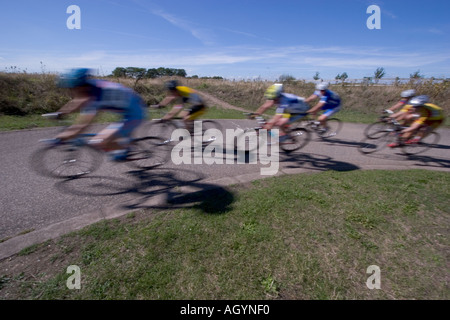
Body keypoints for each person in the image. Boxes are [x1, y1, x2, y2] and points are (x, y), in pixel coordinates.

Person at [55, 68, 147, 161]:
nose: (72, 91)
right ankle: (121, 145)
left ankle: (126, 150)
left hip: (135, 113)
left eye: (73, 89)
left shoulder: (98, 95)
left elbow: (84, 125)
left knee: (101, 140)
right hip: (128, 109)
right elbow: (78, 101)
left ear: (81, 87)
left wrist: (68, 134)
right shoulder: (91, 87)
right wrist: (60, 113)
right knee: (106, 138)